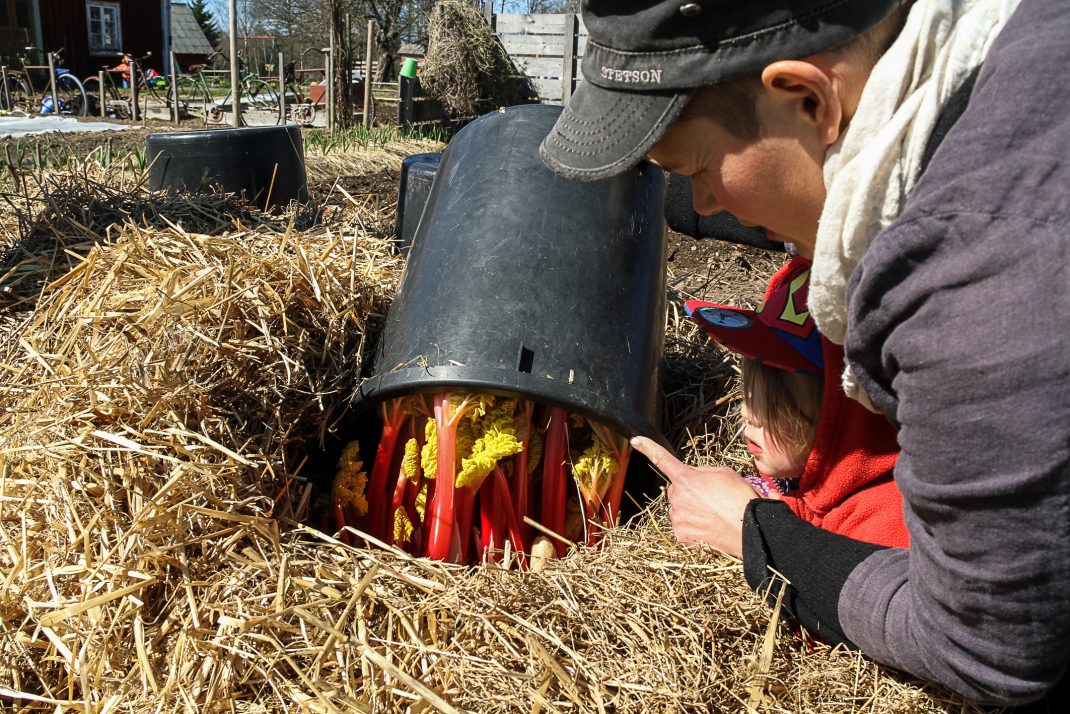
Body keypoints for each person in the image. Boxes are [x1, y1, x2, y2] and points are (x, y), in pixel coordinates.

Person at [539, 0, 1068, 707]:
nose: (707, 206)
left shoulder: (975, 279)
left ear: (811, 98)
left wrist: (758, 536)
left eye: (697, 169)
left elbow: (986, 646)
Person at [687, 256, 909, 549]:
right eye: (750, 396)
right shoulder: (809, 476)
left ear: (846, 416)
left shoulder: (882, 525)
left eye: (774, 404)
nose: (748, 414)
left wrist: (763, 533)